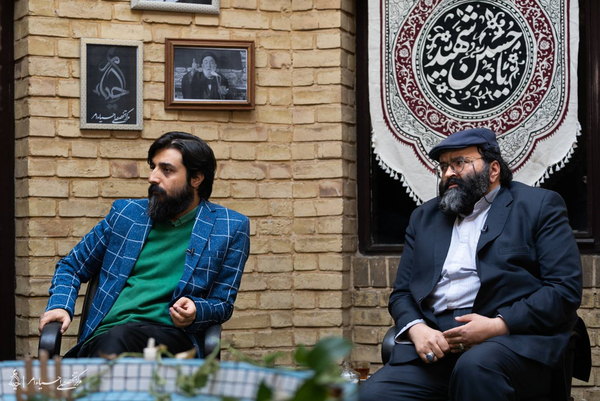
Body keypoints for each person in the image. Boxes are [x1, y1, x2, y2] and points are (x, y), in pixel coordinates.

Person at [360, 128, 586, 400]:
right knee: (371, 394)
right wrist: (417, 328)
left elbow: (563, 290)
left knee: (475, 368)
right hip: (439, 345)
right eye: (444, 166)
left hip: (510, 341)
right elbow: (402, 293)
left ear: (493, 170)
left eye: (459, 163)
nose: (448, 173)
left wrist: (498, 325)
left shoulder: (537, 206)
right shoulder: (424, 217)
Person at [39, 132, 250, 358]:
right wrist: (60, 305)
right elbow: (71, 266)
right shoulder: (126, 214)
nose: (152, 178)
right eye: (153, 167)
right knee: (117, 338)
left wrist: (198, 311)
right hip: (105, 336)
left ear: (196, 178)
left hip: (172, 338)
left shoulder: (230, 227)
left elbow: (222, 304)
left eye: (166, 170)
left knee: (120, 340)